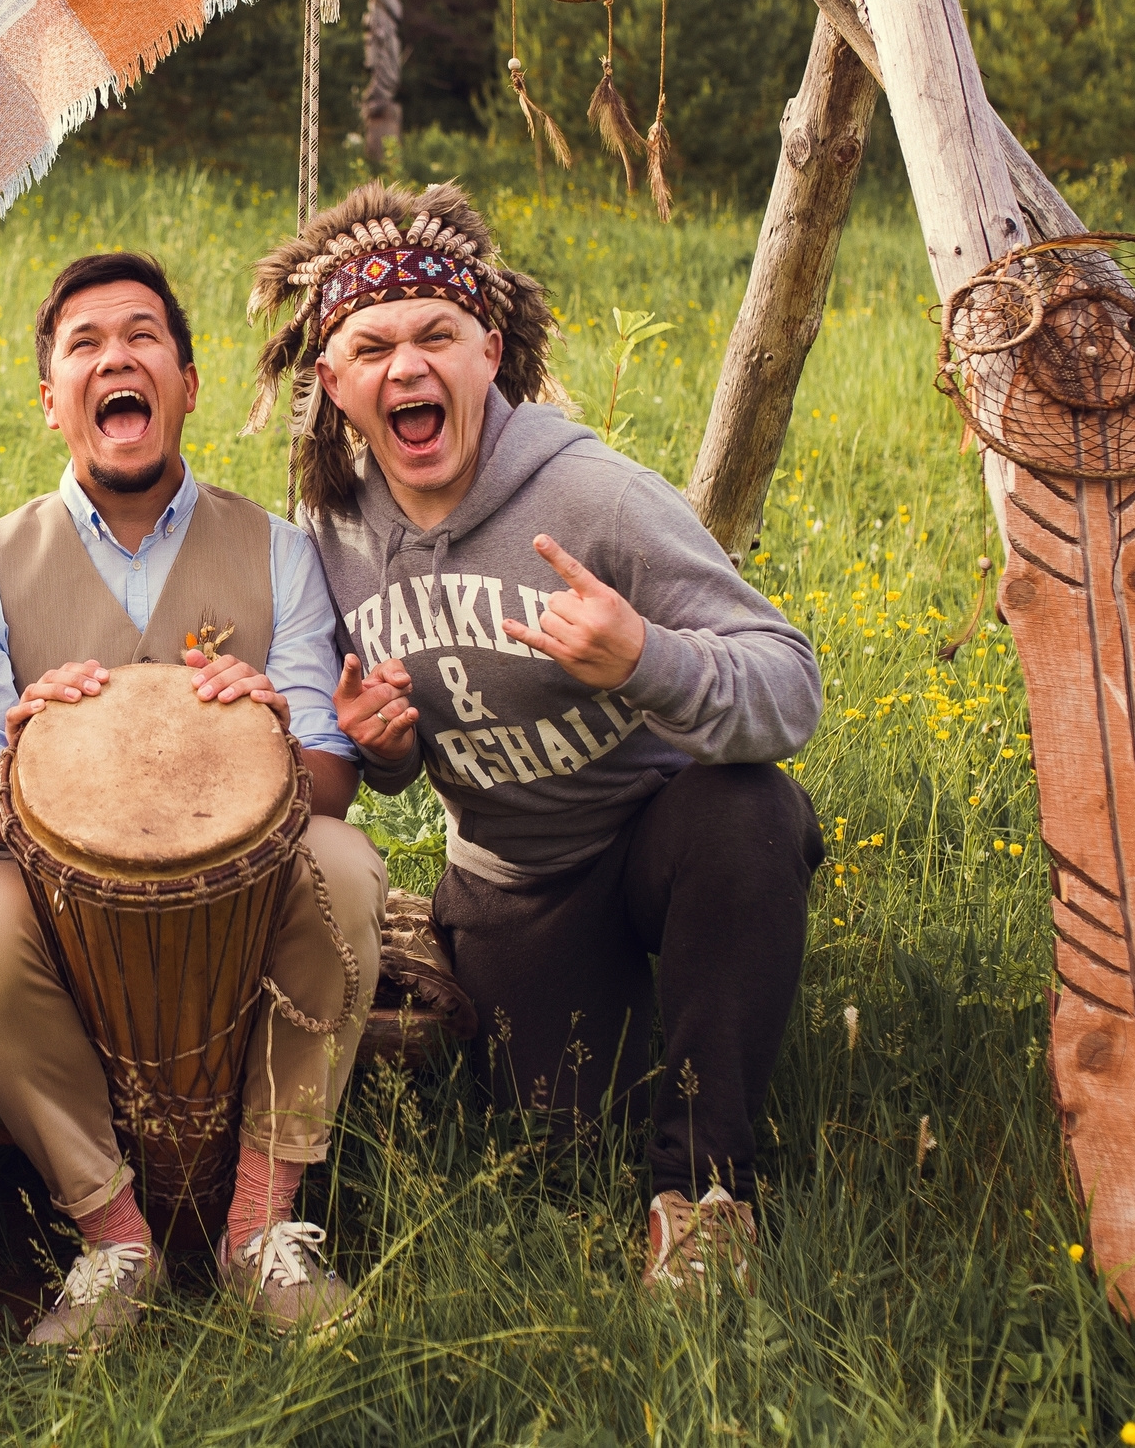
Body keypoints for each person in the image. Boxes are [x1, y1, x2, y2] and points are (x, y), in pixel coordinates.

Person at [247, 184, 824, 1291]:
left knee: (746, 815)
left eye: (436, 337)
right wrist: (386, 751)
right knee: (560, 1136)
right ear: (332, 384)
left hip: (661, 838)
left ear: (489, 353)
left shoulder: (596, 498)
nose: (406, 368)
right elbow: (400, 758)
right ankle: (646, 1023)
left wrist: (646, 656)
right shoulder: (326, 534)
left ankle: (703, 1193)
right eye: (371, 346)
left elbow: (788, 688)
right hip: (514, 878)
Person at [0, 252, 387, 1346]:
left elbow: (331, 783)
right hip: (61, 917)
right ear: (51, 402)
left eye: (141, 337)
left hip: (239, 913)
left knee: (346, 873)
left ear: (186, 383)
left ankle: (259, 1231)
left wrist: (270, 729)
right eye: (83, 344)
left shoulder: (277, 551)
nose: (114, 356)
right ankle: (112, 1237)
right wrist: (25, 753)